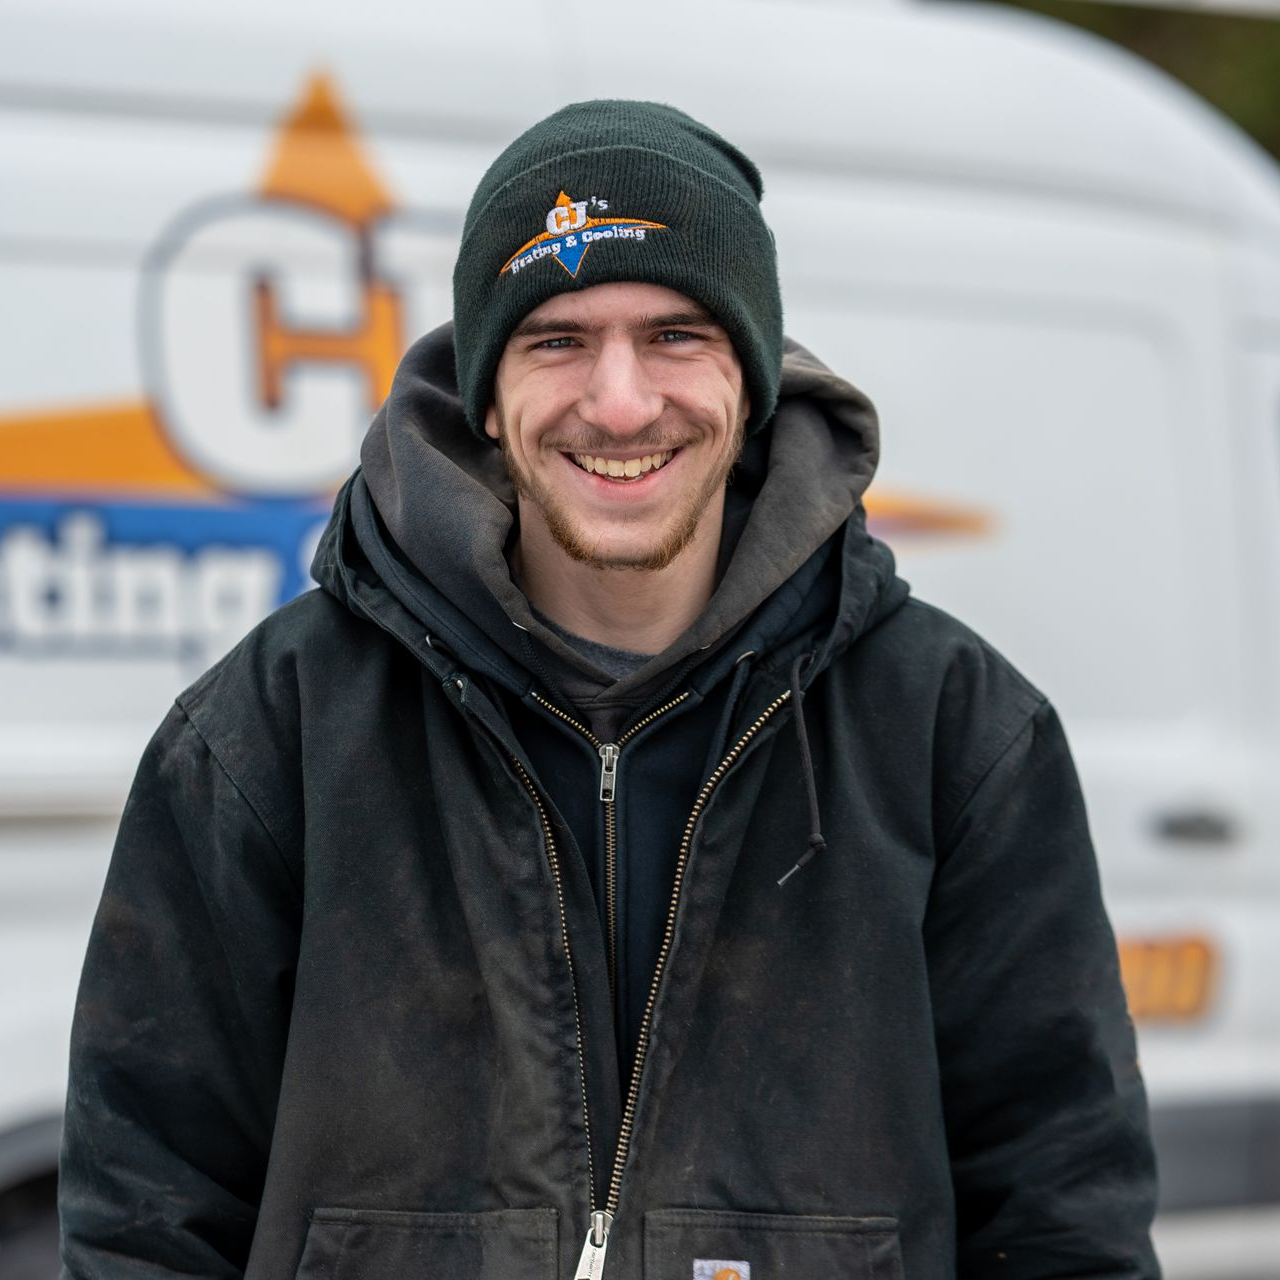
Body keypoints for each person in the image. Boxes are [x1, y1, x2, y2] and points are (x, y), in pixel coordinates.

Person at [59, 100, 1160, 1280]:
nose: (622, 402)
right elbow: (143, 1212)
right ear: (487, 395)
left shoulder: (954, 731)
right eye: (557, 340)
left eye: (675, 334)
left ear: (751, 380)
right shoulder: (272, 728)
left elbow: (1063, 1218)